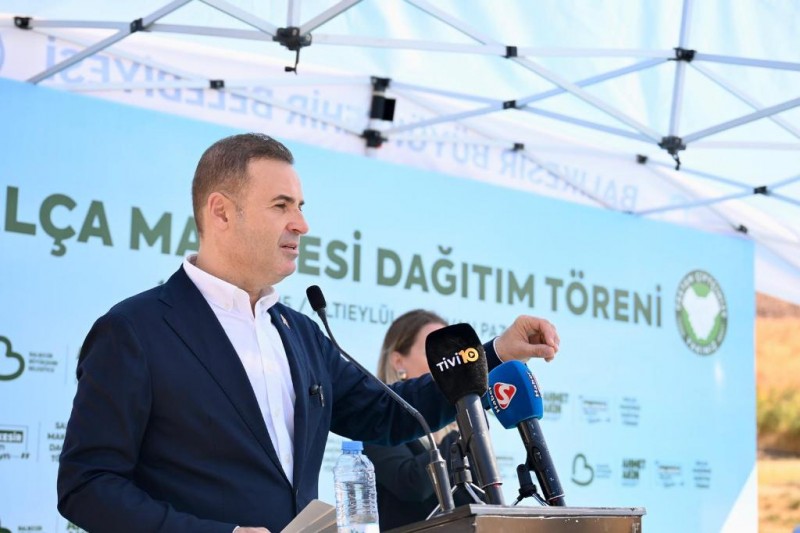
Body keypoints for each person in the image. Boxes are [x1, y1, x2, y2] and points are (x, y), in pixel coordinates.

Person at [56, 133, 560, 533]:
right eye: (282, 206)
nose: (302, 224)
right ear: (221, 211)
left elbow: (390, 413)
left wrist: (495, 352)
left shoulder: (298, 332)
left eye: (300, 206)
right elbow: (87, 485)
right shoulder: (135, 331)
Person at [364, 309, 474, 530]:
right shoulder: (376, 418)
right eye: (434, 352)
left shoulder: (457, 423)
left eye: (450, 353)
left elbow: (477, 498)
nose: (447, 362)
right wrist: (456, 439)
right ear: (398, 362)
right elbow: (411, 484)